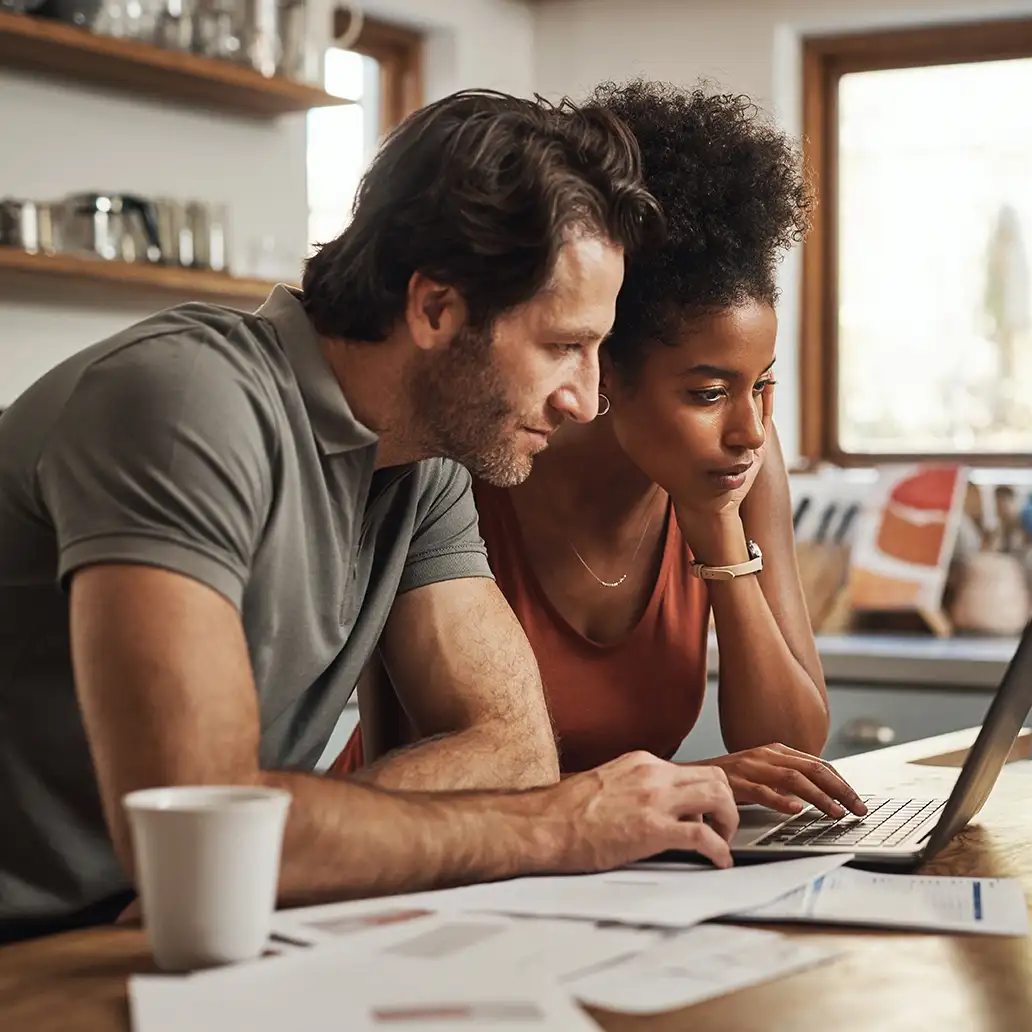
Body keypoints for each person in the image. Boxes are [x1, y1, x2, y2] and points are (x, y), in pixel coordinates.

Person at [0, 89, 741, 945]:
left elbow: (512, 751)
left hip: (166, 933)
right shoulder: (184, 406)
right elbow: (201, 836)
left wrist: (287, 846)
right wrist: (558, 827)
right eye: (562, 346)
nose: (582, 399)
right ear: (434, 309)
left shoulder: (425, 464)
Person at [334, 81, 867, 821]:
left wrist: (717, 533)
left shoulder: (737, 464)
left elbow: (794, 749)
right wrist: (680, 783)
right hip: (427, 844)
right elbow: (427, 758)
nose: (749, 429)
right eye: (708, 392)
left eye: (763, 384)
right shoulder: (475, 456)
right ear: (605, 366)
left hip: (612, 860)